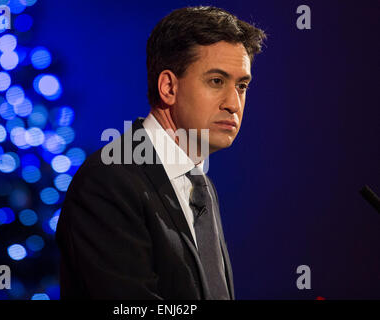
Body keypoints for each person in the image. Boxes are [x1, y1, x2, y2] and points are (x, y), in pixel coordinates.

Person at [56, 6, 266, 299]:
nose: (234, 103)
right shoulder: (108, 181)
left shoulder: (201, 186)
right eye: (216, 81)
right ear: (168, 87)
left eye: (241, 86)